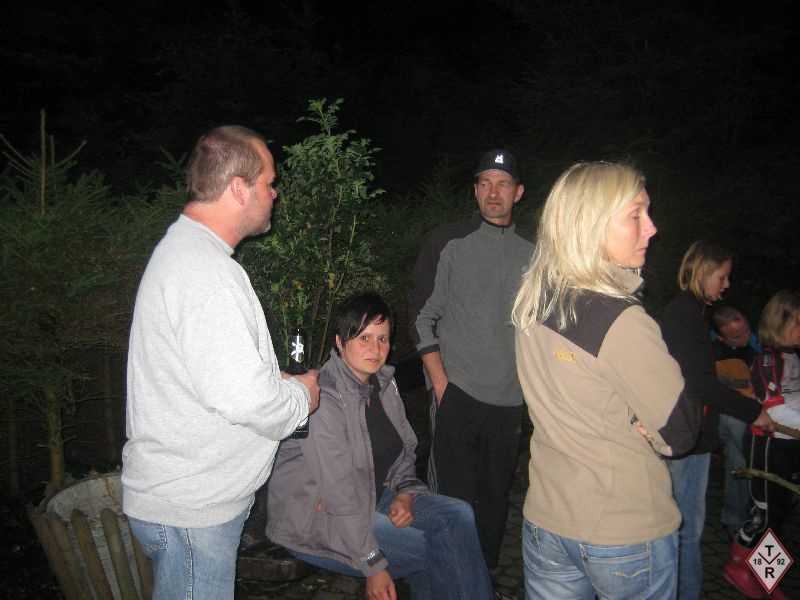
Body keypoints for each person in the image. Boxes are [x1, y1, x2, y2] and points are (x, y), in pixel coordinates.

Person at [122, 125, 320, 600]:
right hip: (193, 512)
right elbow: (248, 400)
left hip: (188, 506)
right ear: (238, 188)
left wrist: (273, 381)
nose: (275, 194)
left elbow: (213, 375)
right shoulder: (204, 270)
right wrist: (302, 396)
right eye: (269, 182)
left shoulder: (190, 254)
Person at [511, 161, 701, 600]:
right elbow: (680, 432)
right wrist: (640, 420)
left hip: (547, 520)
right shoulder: (621, 321)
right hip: (623, 531)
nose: (651, 228)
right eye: (635, 214)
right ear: (591, 225)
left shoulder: (534, 300)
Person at [266, 292, 493, 600]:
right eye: (364, 338)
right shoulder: (325, 398)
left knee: (458, 515)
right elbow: (340, 494)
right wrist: (373, 564)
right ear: (340, 342)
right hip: (316, 518)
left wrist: (407, 492)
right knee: (436, 548)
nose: (375, 349)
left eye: (382, 338)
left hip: (370, 496)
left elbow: (403, 452)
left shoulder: (382, 383)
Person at [408, 149, 533, 577]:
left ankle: (482, 582)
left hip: (510, 400)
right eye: (484, 183)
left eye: (503, 184)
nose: (492, 192)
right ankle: (445, 581)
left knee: (495, 501)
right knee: (451, 503)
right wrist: (441, 385)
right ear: (476, 190)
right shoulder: (448, 242)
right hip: (457, 394)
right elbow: (421, 315)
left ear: (518, 192)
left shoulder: (535, 252)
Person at [660, 241, 773, 600]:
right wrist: (753, 411)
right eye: (721, 277)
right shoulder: (685, 313)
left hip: (693, 432)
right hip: (688, 436)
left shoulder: (695, 312)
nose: (726, 285)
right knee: (686, 530)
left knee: (685, 527)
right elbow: (699, 382)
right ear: (703, 272)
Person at [723, 290, 800, 600]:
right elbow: (775, 410)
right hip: (769, 446)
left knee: (777, 515)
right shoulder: (768, 360)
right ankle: (739, 566)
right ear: (779, 322)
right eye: (797, 321)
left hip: (789, 447)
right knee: (764, 513)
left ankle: (766, 579)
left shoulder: (793, 356)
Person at [710, 305, 760, 533]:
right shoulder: (709, 352)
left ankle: (735, 518)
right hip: (717, 419)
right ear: (721, 338)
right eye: (737, 337)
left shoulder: (760, 347)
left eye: (747, 331)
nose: (746, 338)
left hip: (753, 415)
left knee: (738, 452)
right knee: (736, 428)